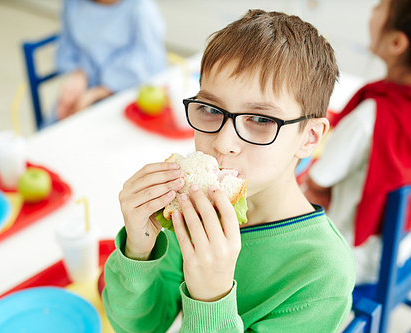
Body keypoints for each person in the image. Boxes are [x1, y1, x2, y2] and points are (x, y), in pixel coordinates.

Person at [102, 9, 355, 332]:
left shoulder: (322, 272)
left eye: (261, 120)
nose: (222, 143)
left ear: (309, 138)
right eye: (210, 109)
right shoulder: (194, 210)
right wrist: (139, 250)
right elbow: (141, 326)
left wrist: (212, 295)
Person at [302, 0, 411, 285]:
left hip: (352, 256)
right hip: (399, 246)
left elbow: (319, 176)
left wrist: (313, 183)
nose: (372, 13)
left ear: (397, 42)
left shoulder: (372, 115)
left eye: (379, 8)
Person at [54, 0, 167, 120]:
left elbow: (148, 60)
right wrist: (78, 73)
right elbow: (67, 46)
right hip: (84, 90)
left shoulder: (141, 8)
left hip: (130, 93)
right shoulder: (72, 4)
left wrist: (98, 93)